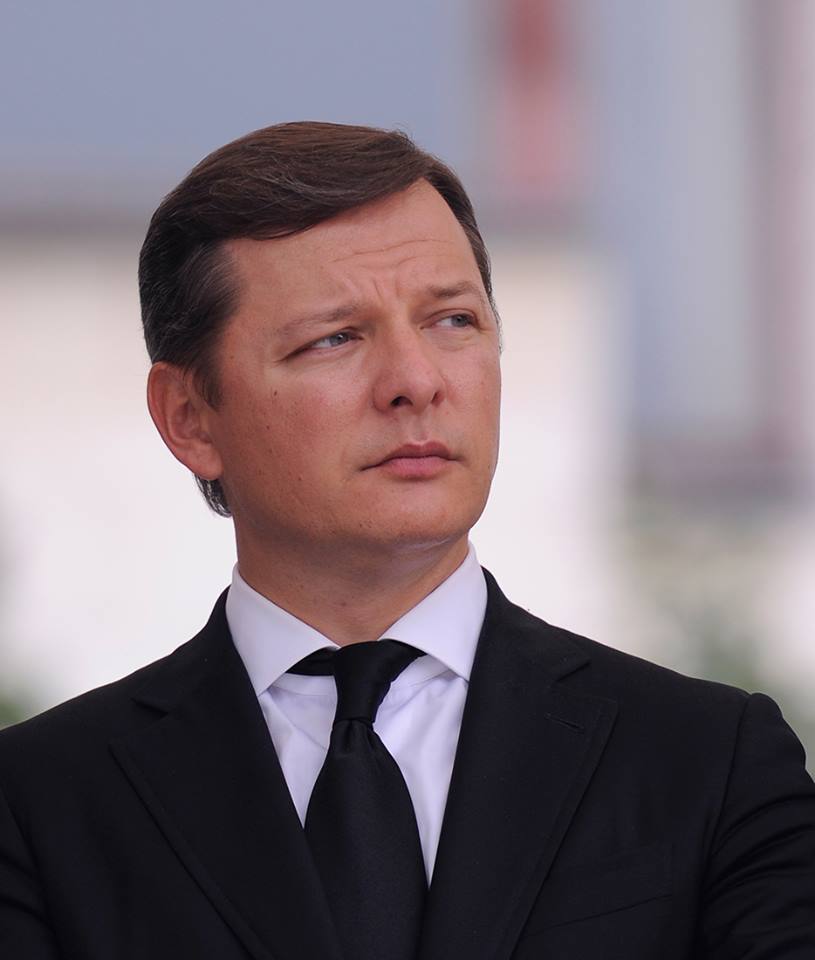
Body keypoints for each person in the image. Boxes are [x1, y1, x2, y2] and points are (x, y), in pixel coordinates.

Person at [0, 122, 813, 960]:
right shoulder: (37, 804)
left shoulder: (708, 762)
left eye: (452, 320)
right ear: (189, 418)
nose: (416, 381)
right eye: (334, 338)